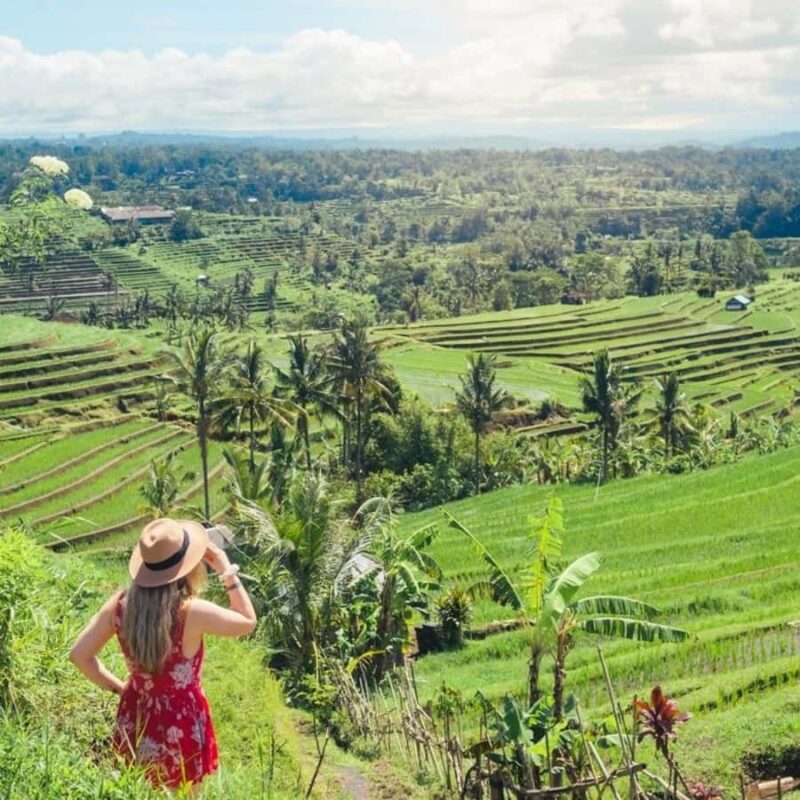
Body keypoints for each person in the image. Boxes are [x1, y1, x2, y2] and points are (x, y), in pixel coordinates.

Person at [70, 518, 257, 794]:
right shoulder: (191, 611)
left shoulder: (120, 605)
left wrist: (122, 689)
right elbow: (247, 620)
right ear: (186, 566)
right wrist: (224, 568)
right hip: (182, 720)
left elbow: (79, 656)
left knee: (139, 792)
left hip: (136, 713)